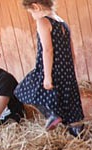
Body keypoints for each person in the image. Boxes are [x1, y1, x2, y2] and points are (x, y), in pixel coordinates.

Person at [15, 0, 85, 137]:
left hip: (49, 69)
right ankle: (78, 134)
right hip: (67, 71)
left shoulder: (43, 21)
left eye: (31, 12)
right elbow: (72, 51)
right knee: (70, 106)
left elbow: (47, 50)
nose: (32, 15)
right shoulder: (62, 22)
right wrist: (71, 72)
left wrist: (47, 77)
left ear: (36, 6)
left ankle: (51, 114)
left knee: (21, 90)